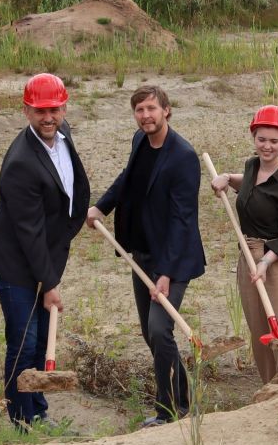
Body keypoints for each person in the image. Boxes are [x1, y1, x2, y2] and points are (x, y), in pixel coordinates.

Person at [88, 84, 205, 425]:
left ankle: (168, 413)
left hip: (173, 259)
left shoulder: (183, 156)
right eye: (140, 110)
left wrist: (166, 274)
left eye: (152, 109)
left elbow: (184, 221)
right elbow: (129, 179)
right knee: (151, 332)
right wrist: (101, 207)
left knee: (158, 329)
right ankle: (183, 401)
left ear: (166, 110)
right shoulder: (140, 141)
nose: (146, 116)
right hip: (140, 254)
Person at [0, 73, 89, 428]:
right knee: (24, 344)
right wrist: (50, 284)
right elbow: (28, 233)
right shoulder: (20, 164)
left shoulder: (62, 133)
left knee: (43, 338)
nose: (49, 117)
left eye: (55, 109)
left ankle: (38, 411)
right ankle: (22, 420)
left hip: (45, 256)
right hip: (17, 266)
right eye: (40, 111)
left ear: (64, 106)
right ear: (26, 110)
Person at [211, 105, 278, 384]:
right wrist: (227, 178)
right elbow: (252, 186)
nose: (267, 146)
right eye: (261, 139)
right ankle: (270, 392)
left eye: (274, 141)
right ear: (253, 137)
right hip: (250, 254)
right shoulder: (252, 166)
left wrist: (266, 261)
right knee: (260, 331)